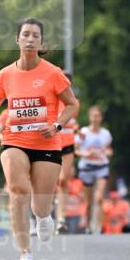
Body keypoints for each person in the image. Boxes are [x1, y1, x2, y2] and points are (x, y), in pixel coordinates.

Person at [0, 17, 78, 260]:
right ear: (17, 39)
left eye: (35, 35)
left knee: (41, 204)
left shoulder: (52, 73)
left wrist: (57, 125)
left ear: (40, 42)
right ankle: (25, 254)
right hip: (14, 140)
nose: (30, 39)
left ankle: (44, 217)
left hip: (46, 141)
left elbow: (73, 104)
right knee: (18, 191)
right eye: (25, 34)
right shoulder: (6, 74)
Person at [77, 105, 112, 233]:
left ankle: (100, 227)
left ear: (101, 118)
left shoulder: (106, 134)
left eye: (98, 116)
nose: (95, 119)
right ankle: (88, 225)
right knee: (88, 202)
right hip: (87, 168)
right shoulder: (84, 132)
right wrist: (85, 154)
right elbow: (76, 150)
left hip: (102, 167)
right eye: (93, 116)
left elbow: (109, 149)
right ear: (89, 117)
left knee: (99, 198)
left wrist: (108, 152)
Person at [56, 71, 80, 233]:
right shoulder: (51, 100)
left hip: (68, 145)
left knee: (64, 180)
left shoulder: (74, 103)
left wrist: (76, 129)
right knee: (49, 183)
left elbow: (71, 120)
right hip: (51, 144)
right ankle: (42, 215)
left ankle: (61, 219)